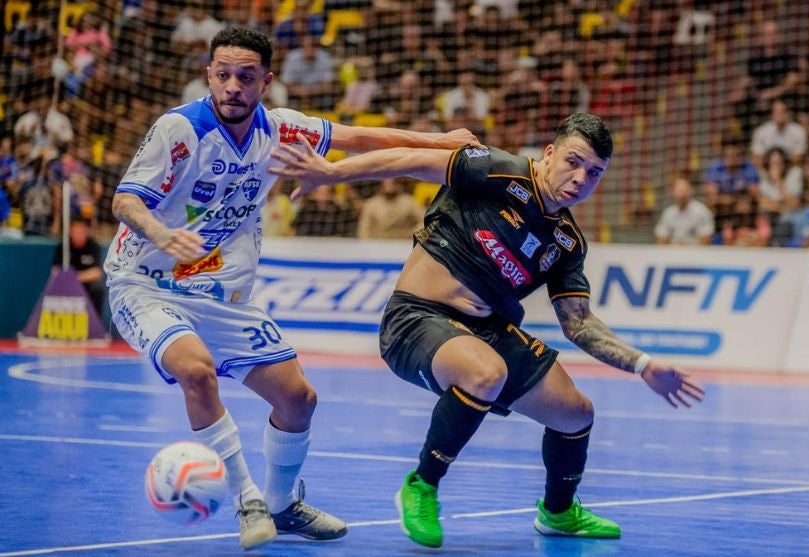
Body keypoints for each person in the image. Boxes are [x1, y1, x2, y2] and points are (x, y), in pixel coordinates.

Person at [104, 26, 478, 551]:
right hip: (143, 284)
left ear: (266, 81)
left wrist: (439, 141)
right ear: (209, 74)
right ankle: (248, 501)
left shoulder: (280, 128)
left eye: (246, 76)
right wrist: (162, 233)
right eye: (223, 74)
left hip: (219, 294)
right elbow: (124, 201)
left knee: (299, 399)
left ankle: (280, 506)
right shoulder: (179, 129)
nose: (233, 86)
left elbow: (359, 137)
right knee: (195, 369)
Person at [270, 113, 705, 548]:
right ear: (549, 154)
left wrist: (642, 364)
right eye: (573, 162)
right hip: (416, 318)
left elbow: (578, 323)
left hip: (487, 328)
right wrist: (332, 173)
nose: (580, 178)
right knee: (485, 373)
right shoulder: (498, 170)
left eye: (594, 172)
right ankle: (422, 486)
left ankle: (558, 513)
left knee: (575, 413)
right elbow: (409, 159)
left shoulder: (567, 243)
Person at [53, 216, 105, 314]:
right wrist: (69, 279)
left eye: (81, 231)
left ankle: (94, 320)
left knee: (98, 290)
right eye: (76, 231)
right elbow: (55, 271)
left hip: (86, 285)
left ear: (86, 231)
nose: (79, 234)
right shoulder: (63, 247)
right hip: (66, 284)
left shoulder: (93, 246)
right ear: (70, 231)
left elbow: (96, 273)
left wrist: (75, 277)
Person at [654, 175, 714, 245]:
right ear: (672, 192)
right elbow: (661, 239)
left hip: (695, 251)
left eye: (684, 191)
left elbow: (705, 241)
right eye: (679, 191)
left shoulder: (702, 212)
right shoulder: (668, 213)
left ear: (690, 191)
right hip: (672, 251)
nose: (682, 195)